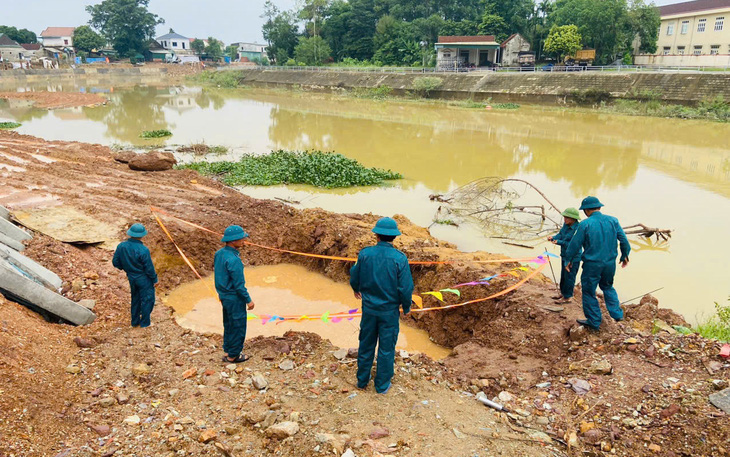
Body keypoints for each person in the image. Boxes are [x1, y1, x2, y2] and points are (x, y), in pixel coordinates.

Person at [350, 217, 414, 394]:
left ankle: (362, 381)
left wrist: (356, 288)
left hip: (369, 309)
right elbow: (406, 287)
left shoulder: (365, 254)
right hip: (389, 312)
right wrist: (406, 307)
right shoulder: (400, 259)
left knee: (366, 344)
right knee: (386, 348)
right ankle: (382, 385)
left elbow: (355, 274)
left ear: (376, 235)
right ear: (394, 237)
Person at [565, 197, 630, 331]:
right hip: (609, 264)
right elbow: (624, 241)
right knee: (607, 287)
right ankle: (617, 315)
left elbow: (574, 244)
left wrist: (568, 259)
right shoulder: (613, 221)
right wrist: (624, 255)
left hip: (592, 265)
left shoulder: (585, 224)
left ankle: (594, 321)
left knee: (588, 291)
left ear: (587, 210)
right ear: (599, 207)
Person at [214, 225, 255, 363]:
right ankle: (234, 355)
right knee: (238, 326)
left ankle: (228, 350)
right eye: (241, 239)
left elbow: (219, 276)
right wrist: (248, 300)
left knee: (229, 323)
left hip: (224, 296)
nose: (244, 241)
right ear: (233, 241)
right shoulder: (234, 260)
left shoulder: (219, 254)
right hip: (235, 298)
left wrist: (221, 293)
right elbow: (239, 285)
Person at [112, 223, 158, 328]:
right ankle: (145, 323)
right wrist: (155, 279)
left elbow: (115, 262)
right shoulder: (143, 250)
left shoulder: (121, 246)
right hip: (143, 278)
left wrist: (126, 268)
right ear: (142, 235)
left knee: (135, 298)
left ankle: (134, 322)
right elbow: (149, 268)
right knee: (147, 300)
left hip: (131, 277)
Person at [547, 208, 582, 304]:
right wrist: (553, 238)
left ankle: (568, 296)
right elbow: (561, 234)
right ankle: (563, 293)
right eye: (564, 217)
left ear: (573, 219)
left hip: (573, 257)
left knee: (570, 277)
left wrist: (559, 242)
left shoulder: (578, 229)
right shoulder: (566, 225)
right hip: (565, 255)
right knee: (563, 276)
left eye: (567, 218)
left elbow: (573, 244)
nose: (565, 219)